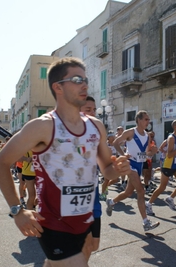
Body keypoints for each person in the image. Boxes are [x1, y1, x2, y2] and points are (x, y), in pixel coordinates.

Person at [0, 57, 131, 267]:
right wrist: (17, 210)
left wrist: (118, 169)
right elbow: (0, 163)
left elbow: (107, 171)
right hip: (53, 225)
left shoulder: (96, 126)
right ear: (58, 87)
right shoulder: (42, 126)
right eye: (76, 79)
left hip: (85, 220)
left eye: (85, 79)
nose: (84, 84)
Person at [105, 110, 160, 231]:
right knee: (141, 191)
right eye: (146, 119)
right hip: (130, 165)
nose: (148, 121)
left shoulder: (147, 136)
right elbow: (115, 143)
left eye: (148, 119)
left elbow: (145, 154)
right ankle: (146, 222)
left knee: (128, 193)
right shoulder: (130, 132)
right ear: (139, 120)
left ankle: (111, 202)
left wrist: (153, 151)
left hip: (139, 165)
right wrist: (123, 154)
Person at [145, 120, 176, 216]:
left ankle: (170, 198)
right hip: (168, 165)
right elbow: (169, 154)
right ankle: (148, 203)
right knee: (162, 187)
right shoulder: (171, 138)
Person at [79, 95, 102, 262]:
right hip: (71, 204)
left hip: (93, 198)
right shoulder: (59, 131)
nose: (92, 113)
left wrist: (116, 166)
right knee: (81, 250)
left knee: (94, 245)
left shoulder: (96, 132)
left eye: (94, 110)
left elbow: (107, 166)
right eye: (88, 110)